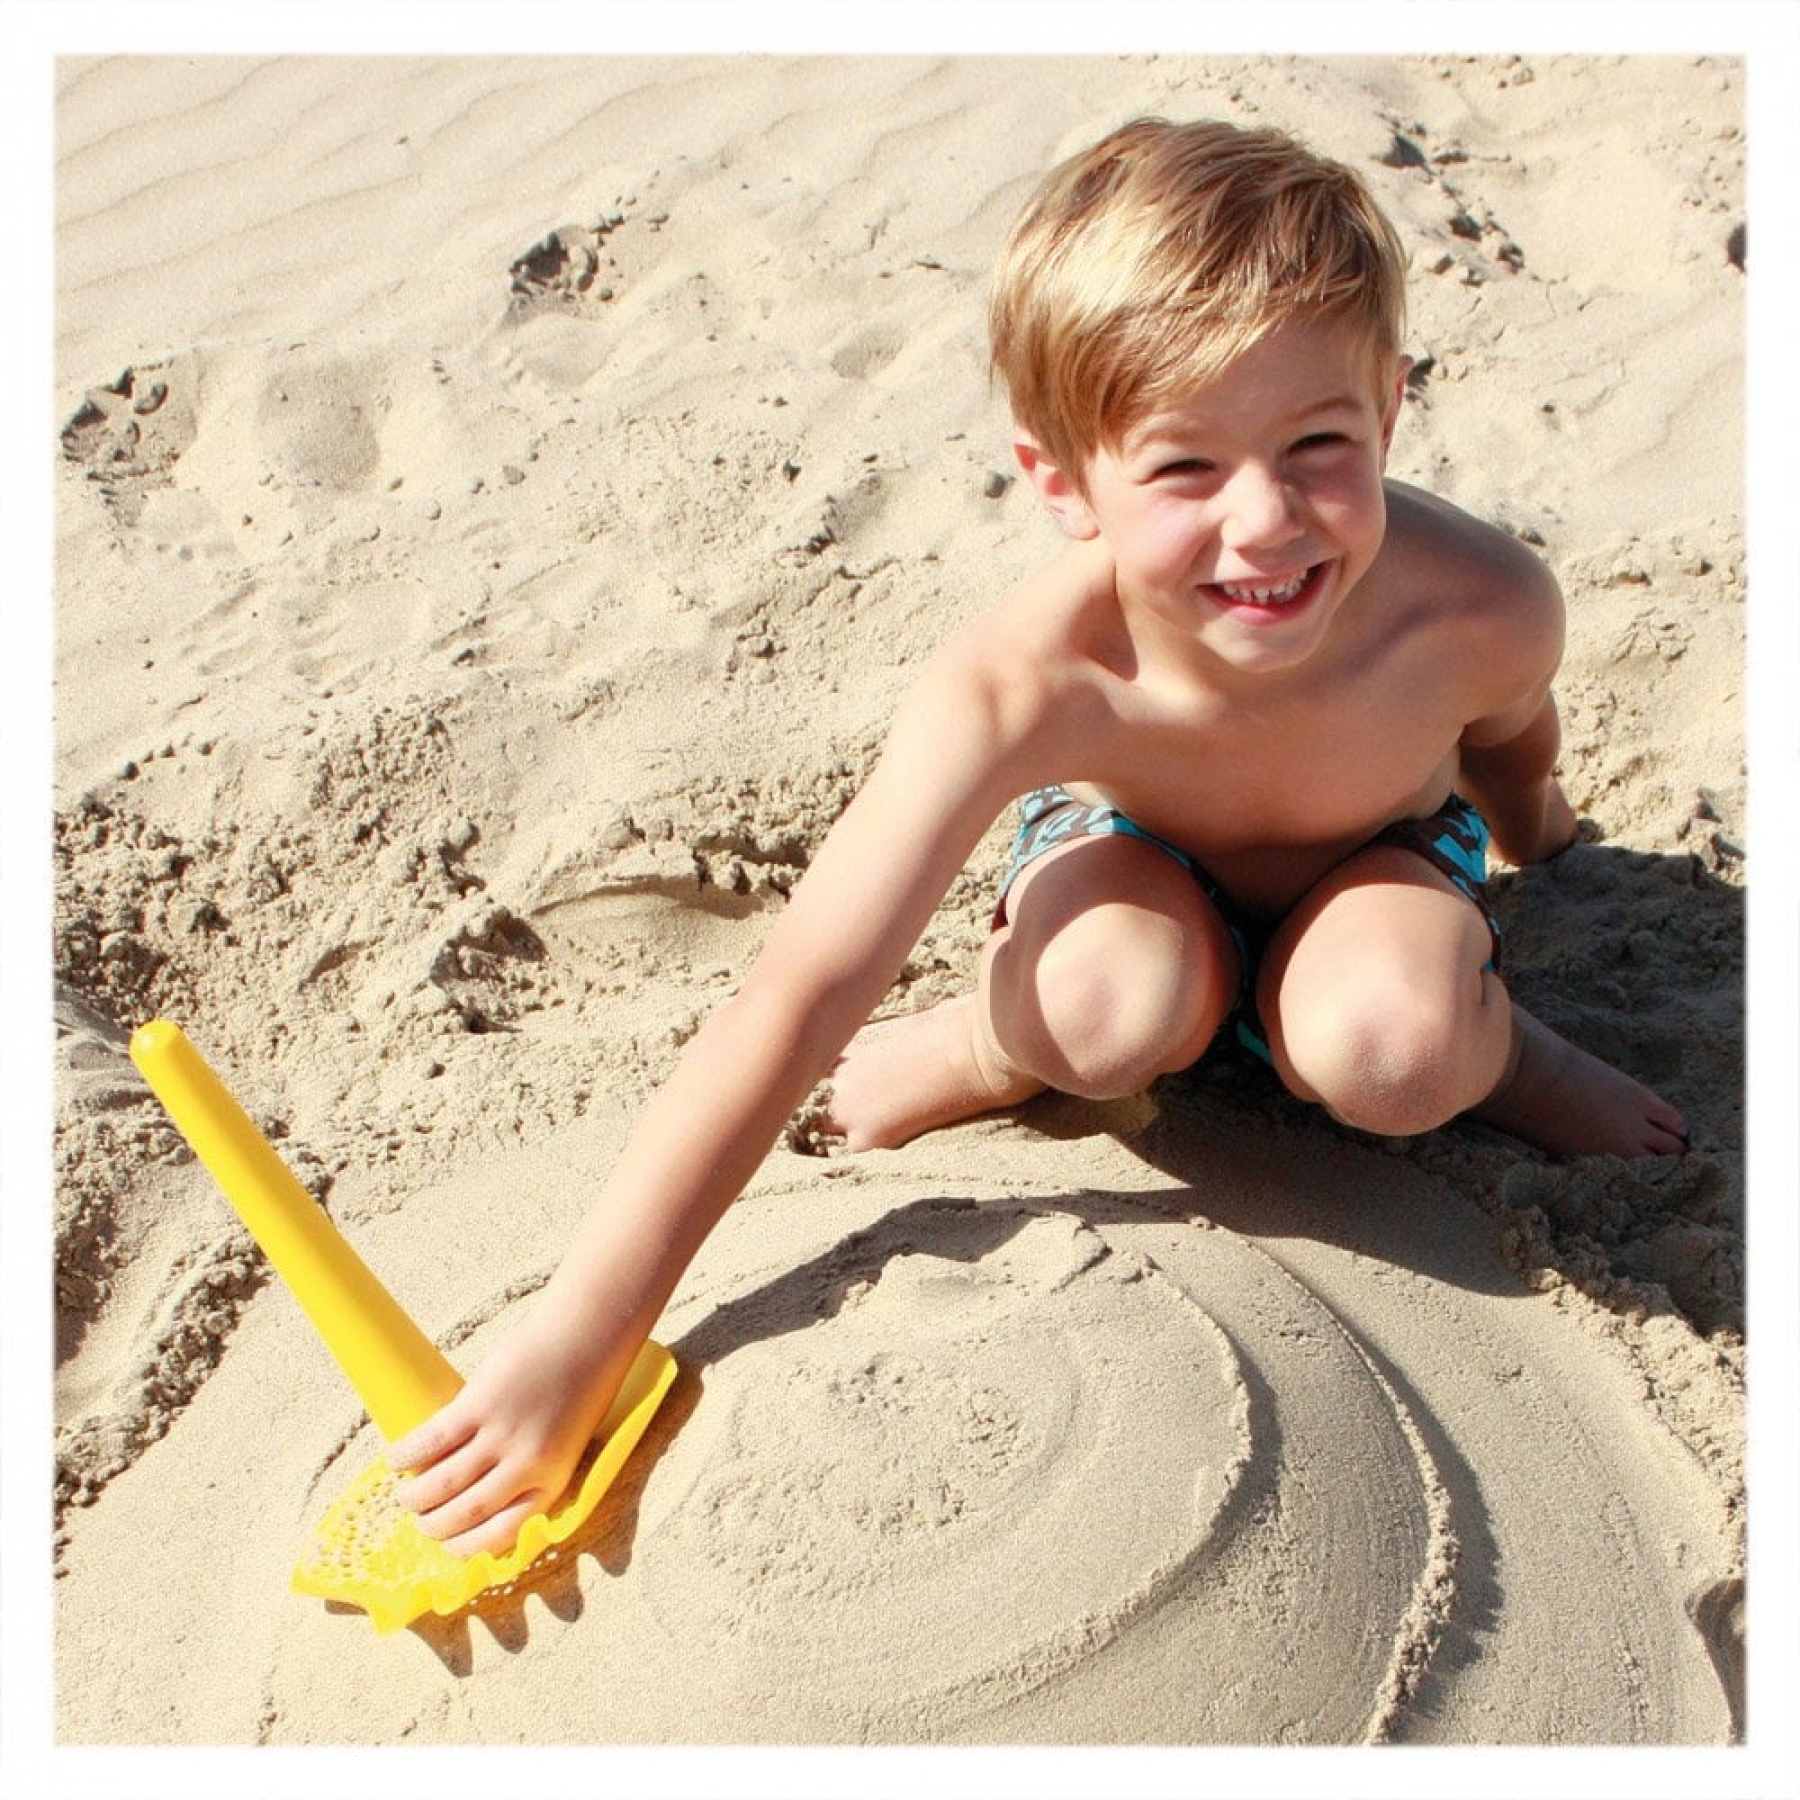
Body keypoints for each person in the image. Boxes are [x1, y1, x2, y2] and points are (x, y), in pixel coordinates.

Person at [391, 117, 1689, 1555]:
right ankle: (987, 1042)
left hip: (1379, 869)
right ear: (1064, 482)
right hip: (1138, 864)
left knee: (1397, 1051)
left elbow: (1513, 746)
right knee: (1103, 1006)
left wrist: (1546, 841)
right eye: (1184, 468)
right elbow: (805, 983)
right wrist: (583, 1332)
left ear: (1388, 411)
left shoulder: (1482, 605)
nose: (1266, 523)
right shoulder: (1028, 678)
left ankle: (1516, 1054)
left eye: (1319, 445)